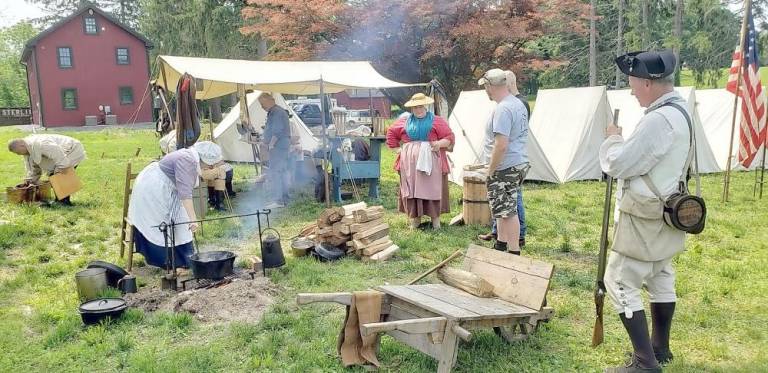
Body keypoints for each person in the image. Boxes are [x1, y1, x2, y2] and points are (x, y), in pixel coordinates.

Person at [600, 50, 689, 373]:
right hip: (668, 208)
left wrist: (613, 140)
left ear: (648, 83)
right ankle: (659, 348)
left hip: (645, 212)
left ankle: (644, 362)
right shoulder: (681, 112)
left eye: (634, 83)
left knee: (619, 281)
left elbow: (622, 164)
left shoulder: (658, 119)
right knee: (660, 274)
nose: (632, 90)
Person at [478, 68, 529, 255]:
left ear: (490, 86)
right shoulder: (517, 104)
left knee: (507, 210)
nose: (485, 90)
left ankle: (513, 251)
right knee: (501, 207)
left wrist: (491, 169)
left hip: (505, 165)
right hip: (516, 162)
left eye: (485, 86)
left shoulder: (504, 108)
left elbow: (501, 145)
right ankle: (500, 243)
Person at [387, 93, 455, 229]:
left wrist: (439, 143)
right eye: (415, 107)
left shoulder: (436, 120)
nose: (418, 110)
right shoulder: (405, 121)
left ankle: (436, 222)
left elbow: (449, 136)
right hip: (410, 164)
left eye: (420, 107)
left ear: (425, 106)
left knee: (431, 188)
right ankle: (415, 220)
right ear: (412, 108)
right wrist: (398, 150)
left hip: (431, 161)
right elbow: (391, 134)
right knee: (412, 189)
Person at [127, 146, 202, 269]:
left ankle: (184, 258)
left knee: (181, 220)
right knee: (160, 222)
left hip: (166, 188)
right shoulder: (188, 161)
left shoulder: (190, 157)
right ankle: (165, 260)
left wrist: (190, 219)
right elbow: (185, 194)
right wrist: (193, 219)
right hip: (153, 187)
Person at [8, 134, 86, 205]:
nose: (18, 154)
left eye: (17, 152)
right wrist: (30, 180)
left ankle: (64, 202)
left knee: (59, 174)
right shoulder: (27, 149)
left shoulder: (40, 144)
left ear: (22, 145)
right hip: (62, 151)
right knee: (54, 175)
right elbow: (34, 167)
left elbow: (56, 152)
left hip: (72, 149)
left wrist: (63, 166)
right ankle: (59, 200)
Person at [259, 92, 292, 208]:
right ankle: (284, 199)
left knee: (276, 172)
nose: (262, 107)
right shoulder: (273, 112)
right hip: (280, 146)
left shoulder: (277, 112)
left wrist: (271, 144)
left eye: (262, 104)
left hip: (279, 146)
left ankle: (278, 201)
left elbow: (277, 130)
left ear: (269, 100)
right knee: (282, 172)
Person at [196, 141, 236, 211]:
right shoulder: (199, 154)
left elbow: (219, 162)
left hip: (199, 172)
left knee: (214, 173)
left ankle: (212, 199)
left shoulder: (199, 149)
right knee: (220, 172)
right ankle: (219, 203)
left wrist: (214, 165)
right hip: (197, 174)